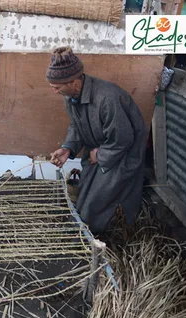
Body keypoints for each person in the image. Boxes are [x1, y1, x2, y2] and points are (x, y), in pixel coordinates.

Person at [47, 47, 147, 234]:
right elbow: (76, 125)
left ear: (74, 82)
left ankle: (98, 241)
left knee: (95, 202)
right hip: (102, 150)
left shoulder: (107, 98)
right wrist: (68, 148)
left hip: (123, 155)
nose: (54, 91)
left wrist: (100, 154)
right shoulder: (70, 96)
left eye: (57, 87)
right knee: (84, 193)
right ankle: (86, 232)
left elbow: (123, 138)